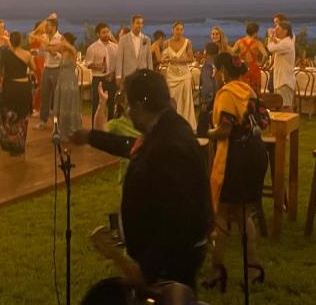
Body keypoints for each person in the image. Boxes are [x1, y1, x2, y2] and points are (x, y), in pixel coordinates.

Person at [71, 69, 213, 287]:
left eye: (128, 104)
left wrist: (140, 265)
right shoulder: (167, 128)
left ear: (138, 106)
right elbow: (131, 147)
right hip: (167, 258)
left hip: (170, 266)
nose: (127, 110)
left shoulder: (169, 147)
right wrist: (91, 137)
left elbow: (182, 217)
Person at [204, 53, 265, 292]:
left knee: (221, 214)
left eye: (217, 69)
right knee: (244, 214)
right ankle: (253, 269)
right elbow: (263, 121)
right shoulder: (248, 90)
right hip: (255, 154)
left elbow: (225, 130)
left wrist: (207, 134)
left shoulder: (227, 94)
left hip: (234, 158)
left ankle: (217, 270)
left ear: (222, 71)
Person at [0, 31, 37, 155]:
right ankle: (20, 145)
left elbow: (0, 73)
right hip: (23, 87)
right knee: (22, 116)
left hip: (10, 87)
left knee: (9, 115)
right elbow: (34, 68)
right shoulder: (27, 54)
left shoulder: (5, 54)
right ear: (20, 41)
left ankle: (9, 143)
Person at [161, 21, 197, 130]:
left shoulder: (187, 42)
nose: (179, 32)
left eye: (181, 29)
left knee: (185, 100)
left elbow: (191, 58)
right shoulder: (166, 43)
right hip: (171, 75)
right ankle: (172, 124)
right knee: (172, 99)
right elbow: (163, 59)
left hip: (184, 75)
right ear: (173, 30)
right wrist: (167, 59)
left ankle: (186, 125)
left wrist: (180, 60)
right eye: (177, 29)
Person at [85, 22, 118, 127]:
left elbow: (118, 62)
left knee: (111, 105)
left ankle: (110, 128)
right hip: (98, 79)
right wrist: (99, 66)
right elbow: (88, 64)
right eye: (103, 32)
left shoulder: (115, 47)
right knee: (96, 105)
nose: (106, 34)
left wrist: (113, 73)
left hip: (111, 79)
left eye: (108, 31)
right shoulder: (92, 48)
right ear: (98, 34)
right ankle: (95, 129)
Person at [51, 32, 82, 138]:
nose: (61, 41)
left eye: (63, 39)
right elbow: (49, 48)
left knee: (68, 104)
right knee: (61, 104)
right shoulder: (63, 52)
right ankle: (61, 130)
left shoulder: (73, 51)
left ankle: (71, 131)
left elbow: (70, 48)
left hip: (69, 82)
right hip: (61, 80)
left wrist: (65, 43)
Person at [36, 16, 63, 129]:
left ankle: (59, 123)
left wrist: (50, 50)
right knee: (45, 96)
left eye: (47, 26)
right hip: (46, 69)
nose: (45, 28)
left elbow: (61, 56)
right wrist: (39, 51)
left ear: (54, 27)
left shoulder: (61, 38)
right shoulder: (44, 37)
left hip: (57, 69)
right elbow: (41, 54)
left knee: (58, 97)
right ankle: (43, 121)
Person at [267, 20, 296, 109]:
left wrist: (271, 37)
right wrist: (273, 38)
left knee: (285, 107)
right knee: (280, 106)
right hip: (280, 80)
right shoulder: (285, 42)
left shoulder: (287, 44)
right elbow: (277, 43)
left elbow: (271, 48)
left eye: (278, 29)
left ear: (285, 31)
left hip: (284, 81)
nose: (275, 31)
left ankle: (290, 123)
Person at [232, 22, 268, 94]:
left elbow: (231, 53)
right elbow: (265, 55)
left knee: (242, 90)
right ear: (255, 32)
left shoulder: (239, 42)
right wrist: (261, 64)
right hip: (254, 67)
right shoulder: (257, 43)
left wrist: (237, 62)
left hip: (242, 68)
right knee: (255, 91)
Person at [116, 14, 153, 83]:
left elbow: (149, 59)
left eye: (141, 23)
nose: (140, 25)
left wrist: (150, 75)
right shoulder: (123, 39)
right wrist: (118, 75)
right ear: (132, 24)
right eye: (138, 23)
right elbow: (119, 59)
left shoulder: (147, 39)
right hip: (128, 74)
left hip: (143, 74)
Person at [197, 42, 220, 138]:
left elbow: (207, 85)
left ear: (206, 52)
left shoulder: (207, 65)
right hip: (218, 96)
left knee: (202, 128)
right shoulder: (217, 64)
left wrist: (205, 102)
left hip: (210, 99)